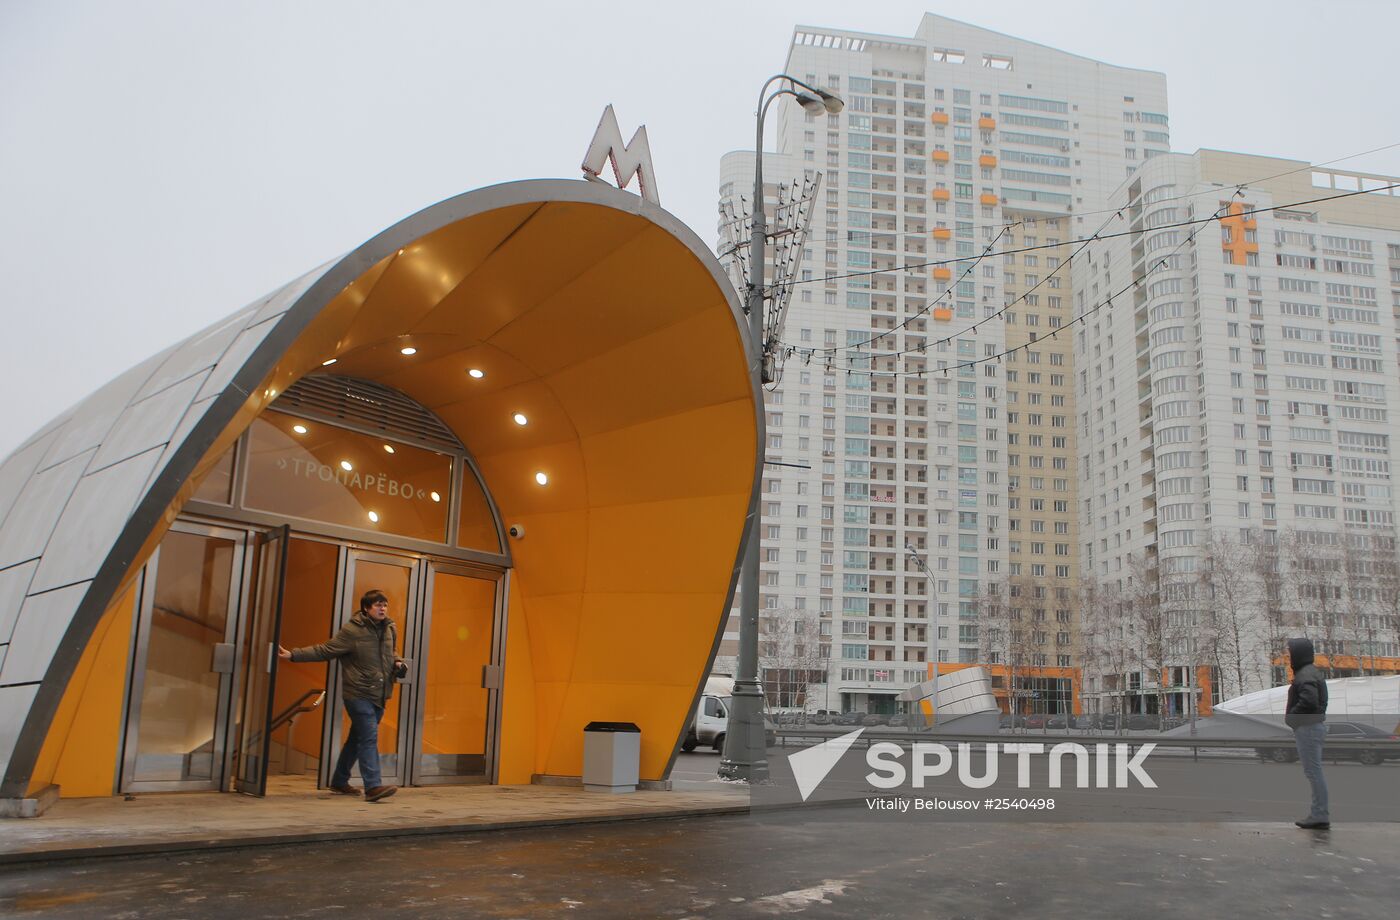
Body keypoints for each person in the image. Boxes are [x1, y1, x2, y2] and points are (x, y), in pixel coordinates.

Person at [278, 589, 405, 802]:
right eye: (377, 605)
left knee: (356, 739)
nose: (382, 608)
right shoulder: (352, 631)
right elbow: (325, 650)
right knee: (369, 737)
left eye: (385, 604)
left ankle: (339, 780)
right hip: (358, 693)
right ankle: (373, 786)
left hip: (381, 693)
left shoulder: (390, 628)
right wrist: (293, 655)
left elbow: (392, 652)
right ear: (366, 608)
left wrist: (398, 662)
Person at [1284, 637, 1329, 829]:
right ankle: (1319, 814)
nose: (1289, 656)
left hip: (1308, 728)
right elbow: (1320, 702)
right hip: (1311, 726)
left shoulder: (1305, 673)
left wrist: (1294, 717)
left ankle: (1319, 815)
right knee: (1314, 772)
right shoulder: (1311, 672)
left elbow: (1309, 701)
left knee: (1313, 772)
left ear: (1298, 654)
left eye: (1291, 653)